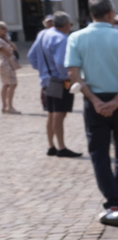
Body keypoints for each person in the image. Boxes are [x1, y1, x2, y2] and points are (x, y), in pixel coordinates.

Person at [65, 0, 118, 212]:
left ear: (90, 14)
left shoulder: (76, 38)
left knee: (99, 153)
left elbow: (73, 73)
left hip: (93, 101)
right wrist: (117, 100)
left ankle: (113, 200)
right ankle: (117, 198)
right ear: (110, 13)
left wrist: (96, 101)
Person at [28, 12, 82, 157]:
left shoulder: (42, 34)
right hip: (59, 80)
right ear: (66, 25)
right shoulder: (62, 38)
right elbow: (61, 63)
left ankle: (51, 146)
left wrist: (42, 71)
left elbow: (31, 56)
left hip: (47, 80)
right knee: (59, 114)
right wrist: (67, 79)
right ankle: (62, 148)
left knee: (51, 113)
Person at [0, 21, 19, 114]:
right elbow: (8, 52)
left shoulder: (4, 39)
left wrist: (7, 40)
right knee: (12, 84)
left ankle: (4, 106)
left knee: (6, 84)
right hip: (6, 64)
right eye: (3, 29)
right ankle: (9, 106)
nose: (5, 30)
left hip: (4, 63)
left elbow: (15, 48)